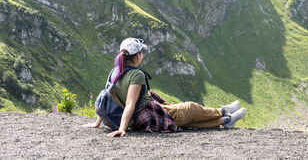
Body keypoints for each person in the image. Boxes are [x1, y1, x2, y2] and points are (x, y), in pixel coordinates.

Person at [83, 37, 246, 137]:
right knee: (190, 109)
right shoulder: (136, 75)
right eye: (141, 53)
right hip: (147, 114)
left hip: (149, 107)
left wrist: (98, 122)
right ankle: (223, 113)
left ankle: (225, 120)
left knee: (186, 120)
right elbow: (130, 104)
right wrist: (122, 129)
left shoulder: (115, 71)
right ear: (137, 55)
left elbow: (107, 97)